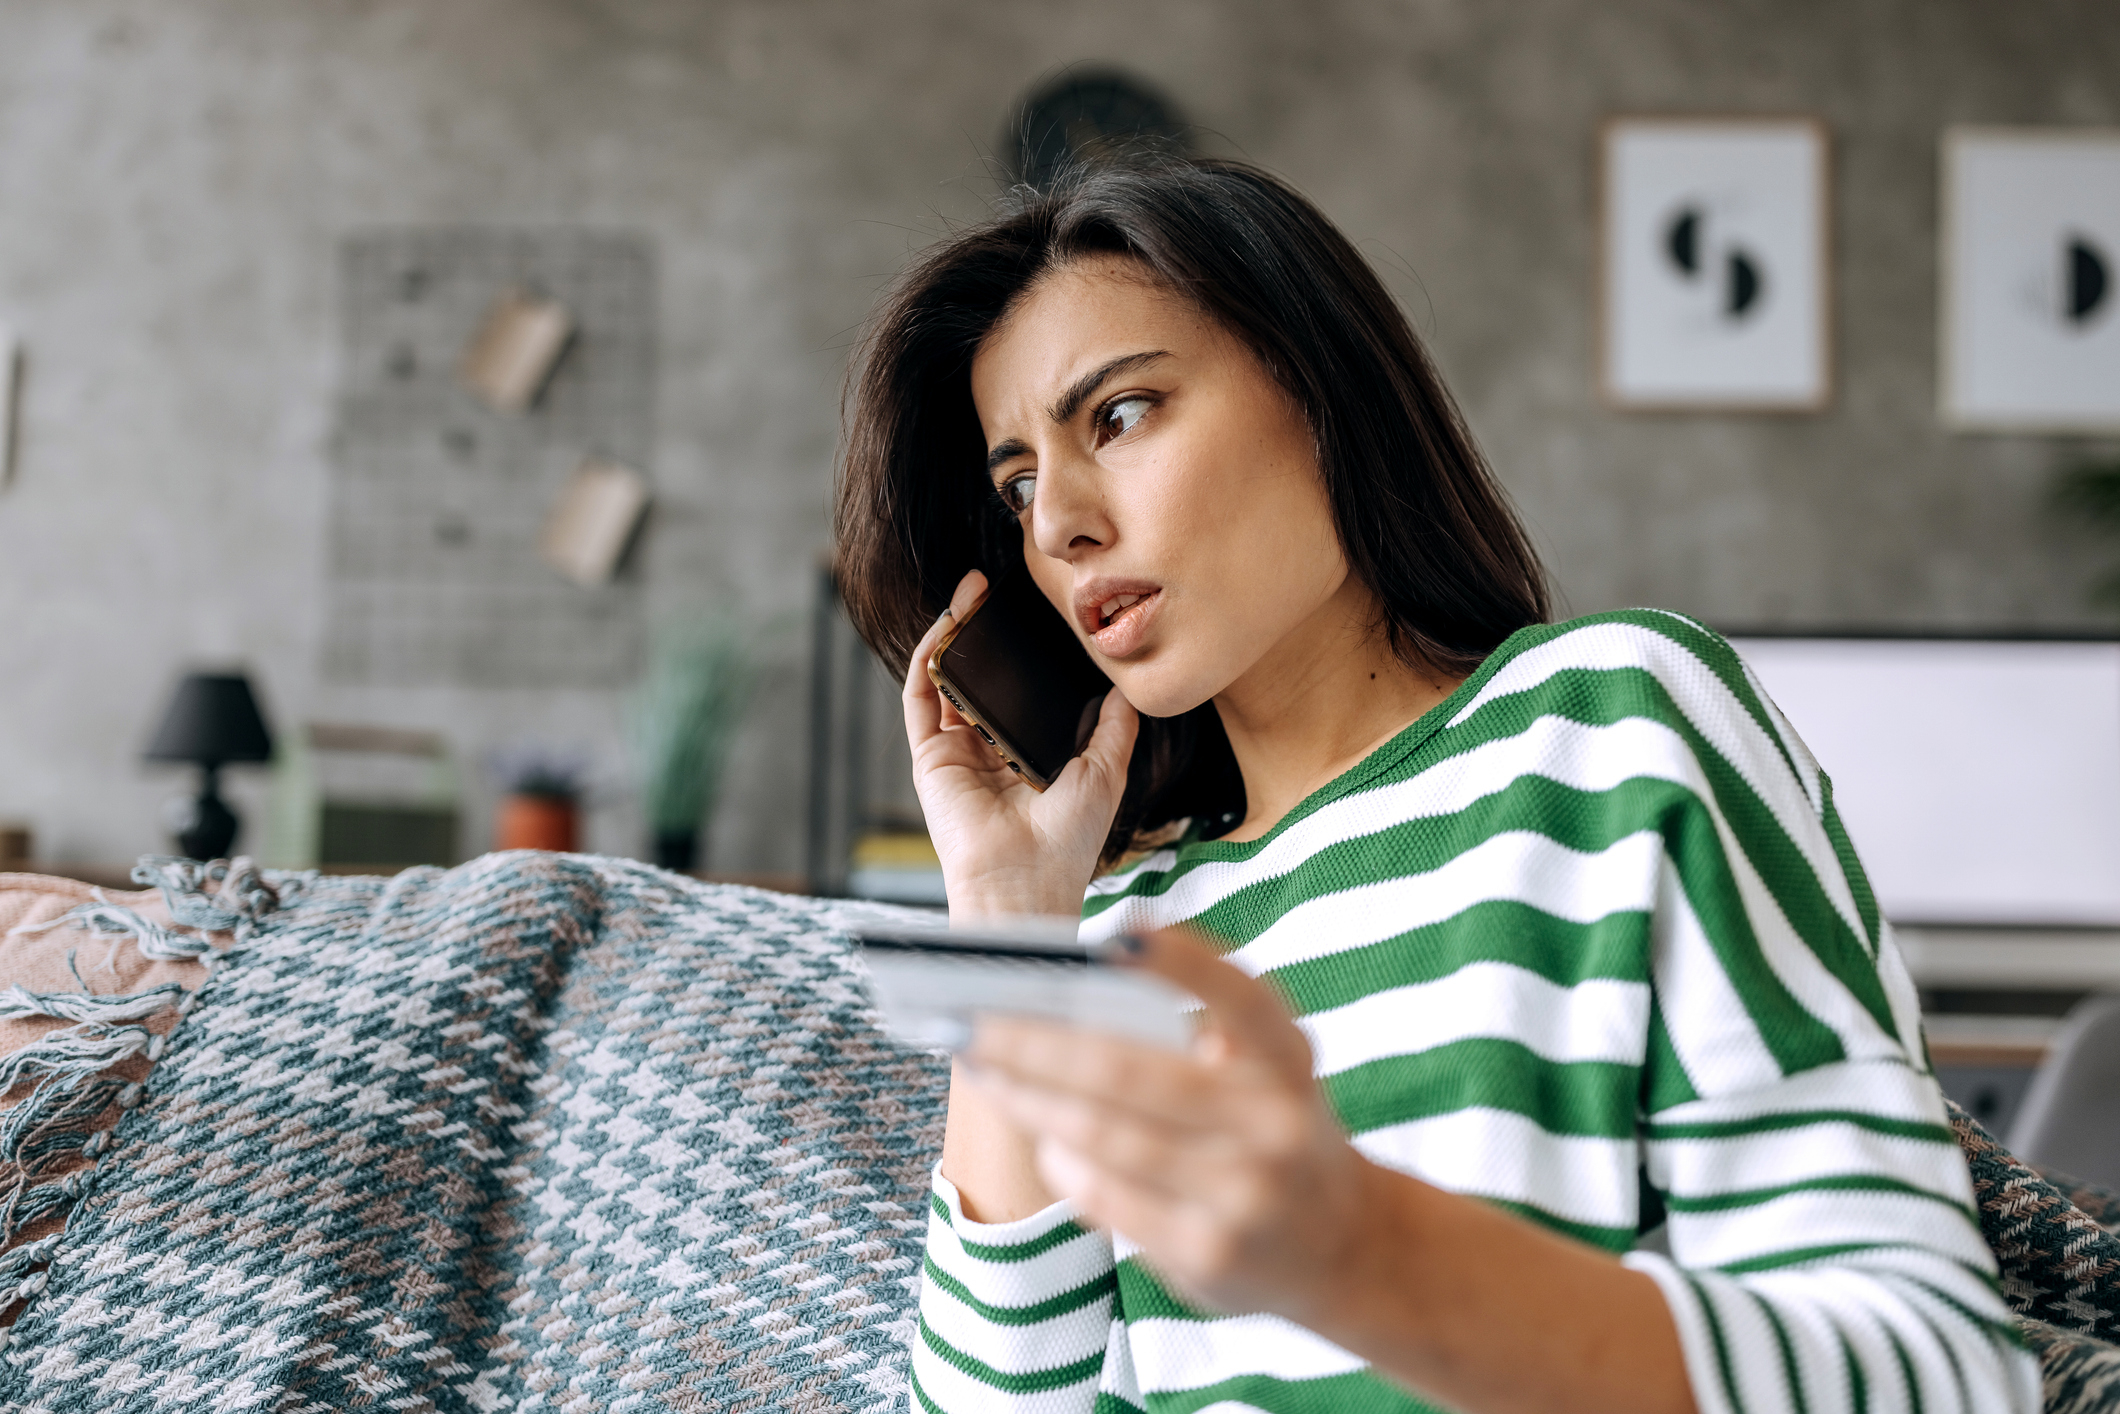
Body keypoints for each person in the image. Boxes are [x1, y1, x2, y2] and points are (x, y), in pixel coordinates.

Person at [832, 156, 2035, 1414]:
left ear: (1321, 390)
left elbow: (1930, 1371)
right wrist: (1011, 918)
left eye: (1119, 416)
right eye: (1016, 484)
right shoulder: (1121, 941)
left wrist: (1363, 1253)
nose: (1058, 525)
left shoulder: (1609, 728)